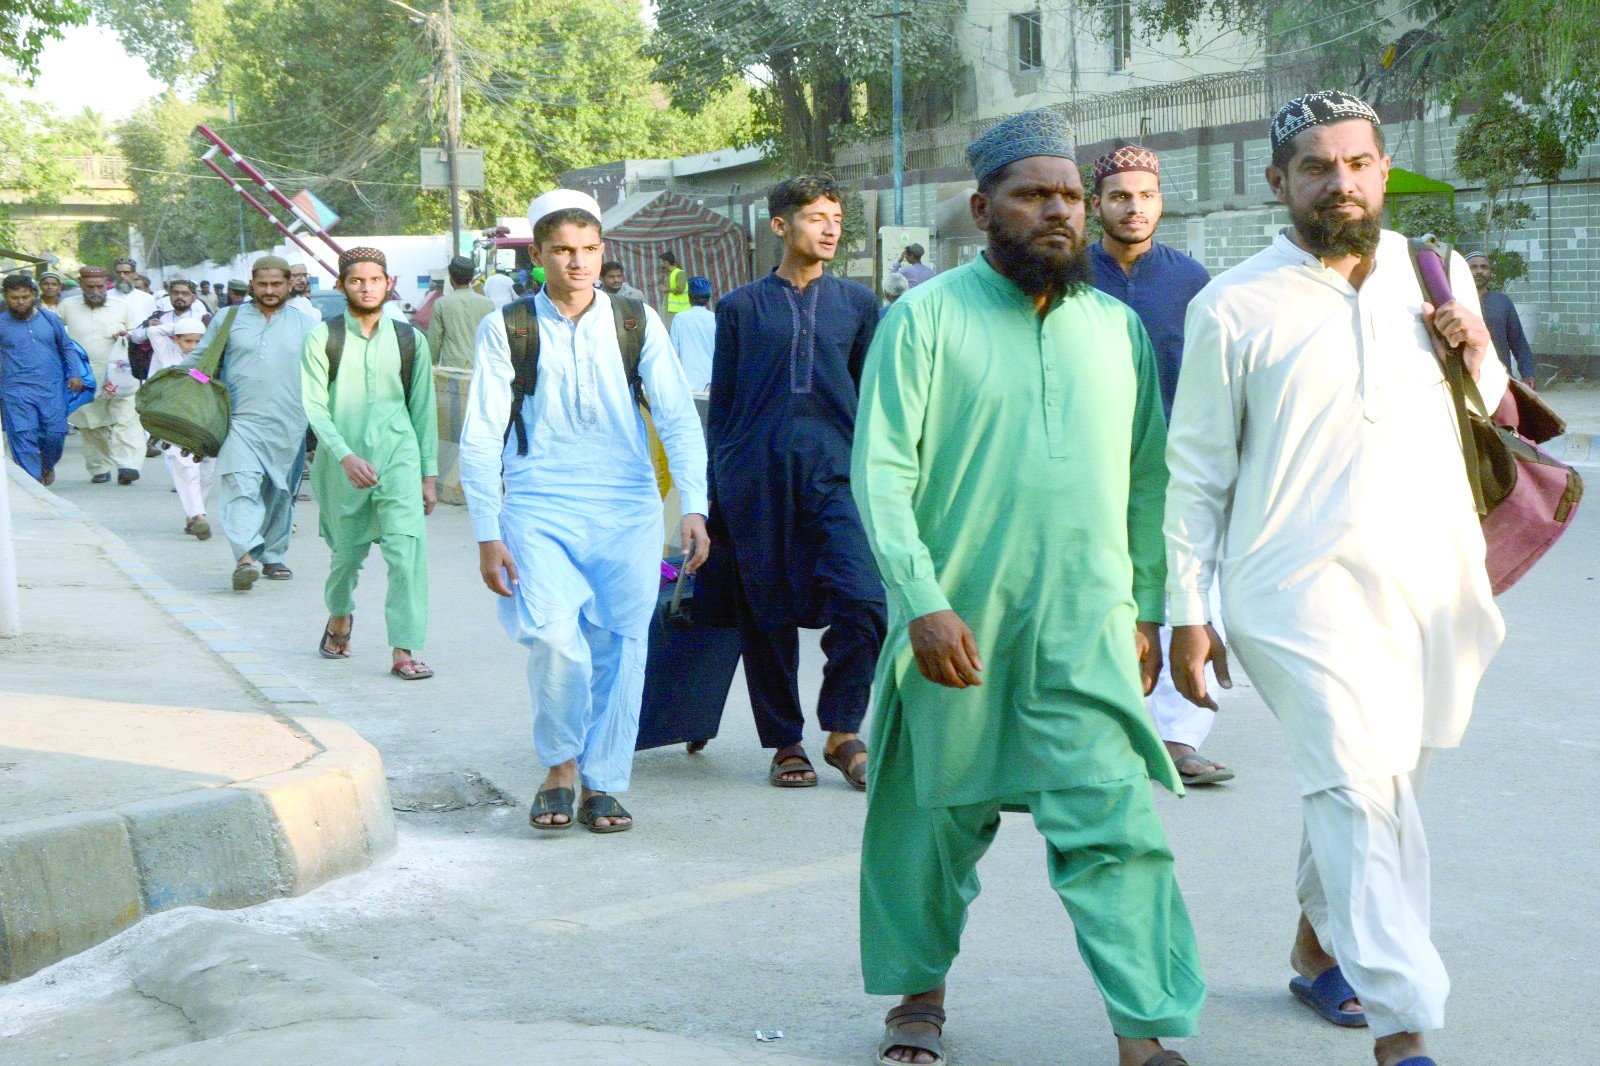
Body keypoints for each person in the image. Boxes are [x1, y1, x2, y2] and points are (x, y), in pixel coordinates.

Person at [852, 109, 1203, 1066]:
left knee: (1116, 832)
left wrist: (1144, 605)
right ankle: (918, 997)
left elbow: (1146, 480)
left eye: (1070, 196)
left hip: (1082, 628)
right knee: (933, 828)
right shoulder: (923, 319)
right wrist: (920, 601)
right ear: (982, 208)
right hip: (955, 624)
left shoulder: (1115, 329)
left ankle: (1144, 1034)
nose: (1058, 211)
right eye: (1032, 194)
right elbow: (880, 472)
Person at [1165, 91, 1507, 1066]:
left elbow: (1486, 421)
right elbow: (1193, 475)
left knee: (1380, 776)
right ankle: (1405, 1030)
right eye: (1316, 166)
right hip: (1290, 591)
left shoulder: (1431, 275)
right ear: (1278, 182)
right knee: (1359, 786)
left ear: (1383, 168)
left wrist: (1472, 351)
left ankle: (1317, 948)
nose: (1340, 182)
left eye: (1357, 162)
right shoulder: (1230, 303)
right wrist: (1187, 610)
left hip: (1429, 584)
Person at [460, 189, 710, 834]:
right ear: (539, 255)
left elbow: (678, 416)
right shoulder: (508, 326)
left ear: (603, 252)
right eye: (563, 252)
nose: (577, 263)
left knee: (621, 645)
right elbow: (483, 432)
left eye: (589, 250)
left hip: (626, 506)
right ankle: (560, 765)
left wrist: (695, 507)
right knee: (553, 639)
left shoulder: (636, 320)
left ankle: (604, 780)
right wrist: (487, 532)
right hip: (538, 505)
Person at [702, 176, 885, 791]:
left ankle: (843, 729)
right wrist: (712, 502)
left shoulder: (859, 306)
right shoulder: (739, 308)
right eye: (815, 217)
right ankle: (786, 741)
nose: (830, 228)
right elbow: (721, 408)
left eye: (836, 217)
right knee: (766, 612)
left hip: (837, 473)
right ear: (779, 226)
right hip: (754, 475)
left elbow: (875, 401)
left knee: (864, 599)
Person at [1086, 144, 1228, 787]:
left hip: (1173, 465)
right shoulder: (1070, 274)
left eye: (1145, 195)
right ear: (1097, 206)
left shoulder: (1192, 281)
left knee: (1184, 589)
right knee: (1098, 588)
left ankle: (1175, 734)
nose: (1133, 207)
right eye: (1119, 196)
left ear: (1161, 202)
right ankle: (1103, 726)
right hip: (1088, 462)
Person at [302, 247, 439, 679]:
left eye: (374, 279)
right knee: (346, 555)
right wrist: (343, 456)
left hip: (398, 461)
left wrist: (428, 475)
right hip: (342, 466)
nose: (366, 287)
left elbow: (423, 410)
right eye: (356, 280)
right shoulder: (323, 338)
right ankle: (339, 613)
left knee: (406, 555)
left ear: (389, 282)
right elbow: (314, 407)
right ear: (342, 285)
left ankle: (404, 649)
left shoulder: (408, 340)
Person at [182, 256, 318, 591]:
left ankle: (273, 555)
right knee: (241, 485)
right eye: (263, 284)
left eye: (276, 284)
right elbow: (202, 361)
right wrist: (172, 387)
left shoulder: (307, 325)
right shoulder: (228, 319)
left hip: (290, 424)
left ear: (289, 284)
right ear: (252, 285)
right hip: (239, 421)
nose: (270, 291)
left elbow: (322, 375)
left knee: (279, 492)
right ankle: (245, 556)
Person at [133, 280, 216, 537]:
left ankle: (194, 512)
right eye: (187, 341)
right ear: (176, 338)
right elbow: (153, 333)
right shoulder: (166, 350)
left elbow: (207, 382)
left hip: (201, 418)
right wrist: (177, 328)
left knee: (206, 469)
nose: (191, 346)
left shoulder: (207, 356)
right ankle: (198, 515)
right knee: (184, 465)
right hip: (170, 417)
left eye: (197, 341)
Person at [58, 266, 142, 485]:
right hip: (84, 375)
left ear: (106, 284)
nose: (95, 291)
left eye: (99, 286)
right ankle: (100, 468)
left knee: (125, 418)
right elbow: (57, 335)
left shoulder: (122, 307)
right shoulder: (67, 306)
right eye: (90, 287)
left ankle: (127, 466)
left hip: (119, 372)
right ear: (81, 284)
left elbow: (137, 335)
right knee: (91, 423)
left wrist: (127, 335)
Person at [0, 274, 85, 484]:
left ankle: (46, 465)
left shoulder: (50, 319)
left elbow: (66, 347)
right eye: (14, 298)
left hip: (51, 388)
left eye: (25, 297)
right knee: (23, 434)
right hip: (15, 390)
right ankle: (33, 481)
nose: (20, 302)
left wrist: (75, 373)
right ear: (5, 297)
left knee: (54, 434)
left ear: (33, 296)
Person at [1466, 250, 1537, 387]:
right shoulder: (1454, 301)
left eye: (1484, 267)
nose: (1479, 271)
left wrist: (1528, 373)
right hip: (1465, 378)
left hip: (1499, 378)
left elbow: (1518, 343)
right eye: (1473, 267)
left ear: (1491, 273)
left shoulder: (1502, 302)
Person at [426, 255, 495, 370]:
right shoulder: (488, 304)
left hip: (452, 368)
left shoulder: (441, 304)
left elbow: (434, 341)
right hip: (481, 367)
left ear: (451, 278)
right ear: (471, 277)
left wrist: (432, 365)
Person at [666, 276, 715, 391]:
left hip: (687, 380)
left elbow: (673, 352)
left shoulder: (680, 318)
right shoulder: (715, 318)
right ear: (708, 298)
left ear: (689, 297)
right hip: (711, 380)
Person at [659, 250, 689, 325]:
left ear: (666, 262)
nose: (662, 264)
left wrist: (666, 289)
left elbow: (680, 288)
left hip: (679, 309)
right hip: (671, 308)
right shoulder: (670, 273)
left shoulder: (679, 273)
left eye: (662, 262)